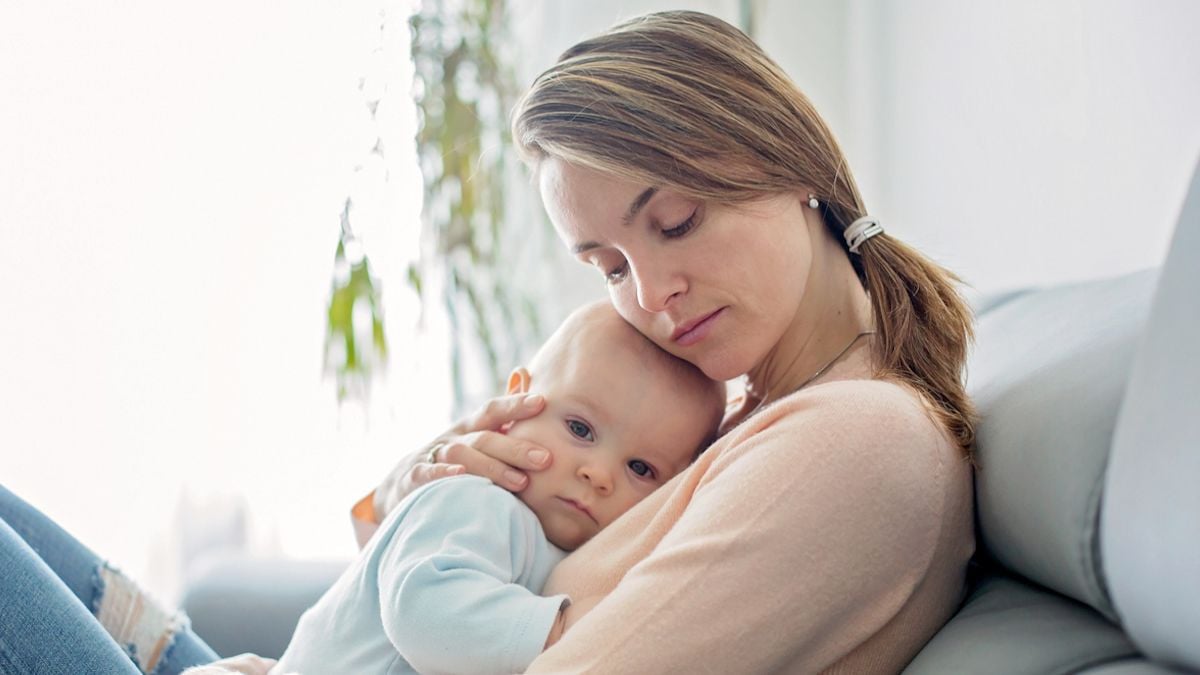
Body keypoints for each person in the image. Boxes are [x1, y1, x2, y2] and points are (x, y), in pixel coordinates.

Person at [359, 10, 977, 674]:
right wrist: (415, 495)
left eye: (676, 222)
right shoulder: (737, 419)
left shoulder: (858, 438)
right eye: (611, 267)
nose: (649, 296)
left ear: (790, 159)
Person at [273, 301, 724, 674]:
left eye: (641, 469)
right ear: (514, 403)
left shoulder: (574, 549)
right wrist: (562, 631)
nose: (599, 474)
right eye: (580, 429)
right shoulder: (474, 501)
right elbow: (422, 613)